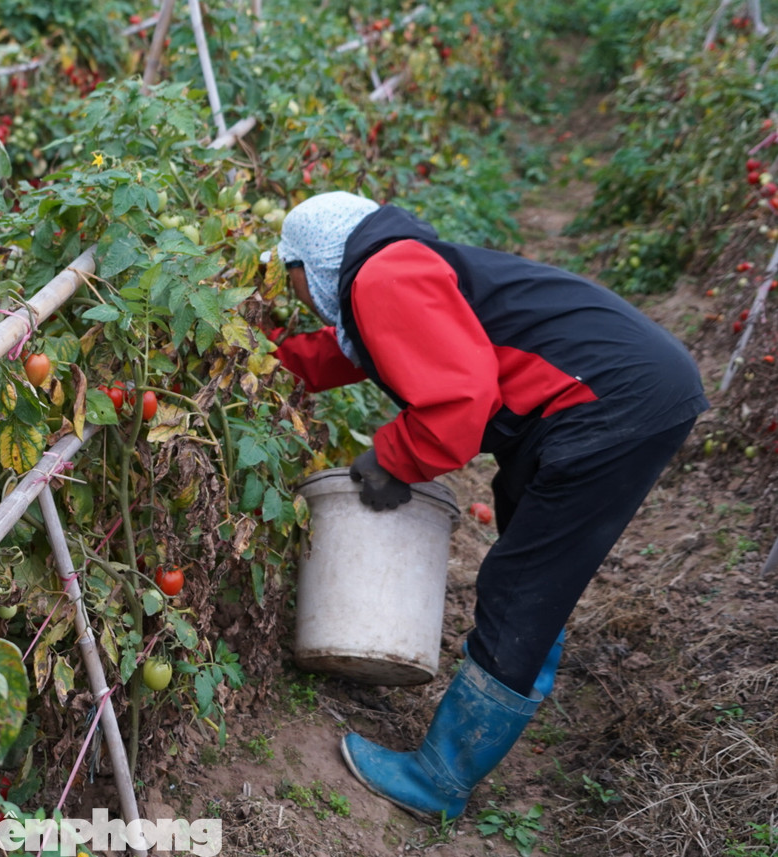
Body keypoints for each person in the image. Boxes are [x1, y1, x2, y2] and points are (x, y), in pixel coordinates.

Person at [270, 191, 708, 822]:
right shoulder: (395, 267)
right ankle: (528, 660)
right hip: (612, 391)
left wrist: (392, 457)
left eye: (290, 277)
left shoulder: (382, 276)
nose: (292, 293)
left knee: (522, 582)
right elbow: (364, 347)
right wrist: (272, 360)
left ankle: (439, 778)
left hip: (612, 401)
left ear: (312, 261)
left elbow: (461, 403)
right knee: (528, 542)